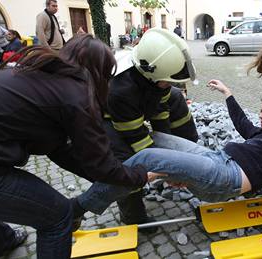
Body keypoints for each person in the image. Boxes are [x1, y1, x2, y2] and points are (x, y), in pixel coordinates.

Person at [0, 34, 148, 259]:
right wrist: (139, 176)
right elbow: (101, 164)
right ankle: (3, 241)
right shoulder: (77, 95)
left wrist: (100, 176)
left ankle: (2, 243)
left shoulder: (40, 78)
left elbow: (57, 148)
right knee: (59, 217)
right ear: (100, 71)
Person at [74, 81, 262, 225]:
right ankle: (154, 175)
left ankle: (78, 208)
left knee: (146, 158)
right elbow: (243, 124)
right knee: (155, 139)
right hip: (216, 159)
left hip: (226, 177)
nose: (261, 115)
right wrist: (228, 92)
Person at [72, 28, 198, 231]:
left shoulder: (157, 76)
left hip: (135, 105)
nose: (169, 84)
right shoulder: (121, 89)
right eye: (167, 81)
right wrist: (167, 167)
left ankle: (194, 161)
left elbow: (160, 110)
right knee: (127, 162)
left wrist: (176, 154)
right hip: (107, 119)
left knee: (176, 98)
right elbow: (139, 141)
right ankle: (133, 215)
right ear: (152, 74)